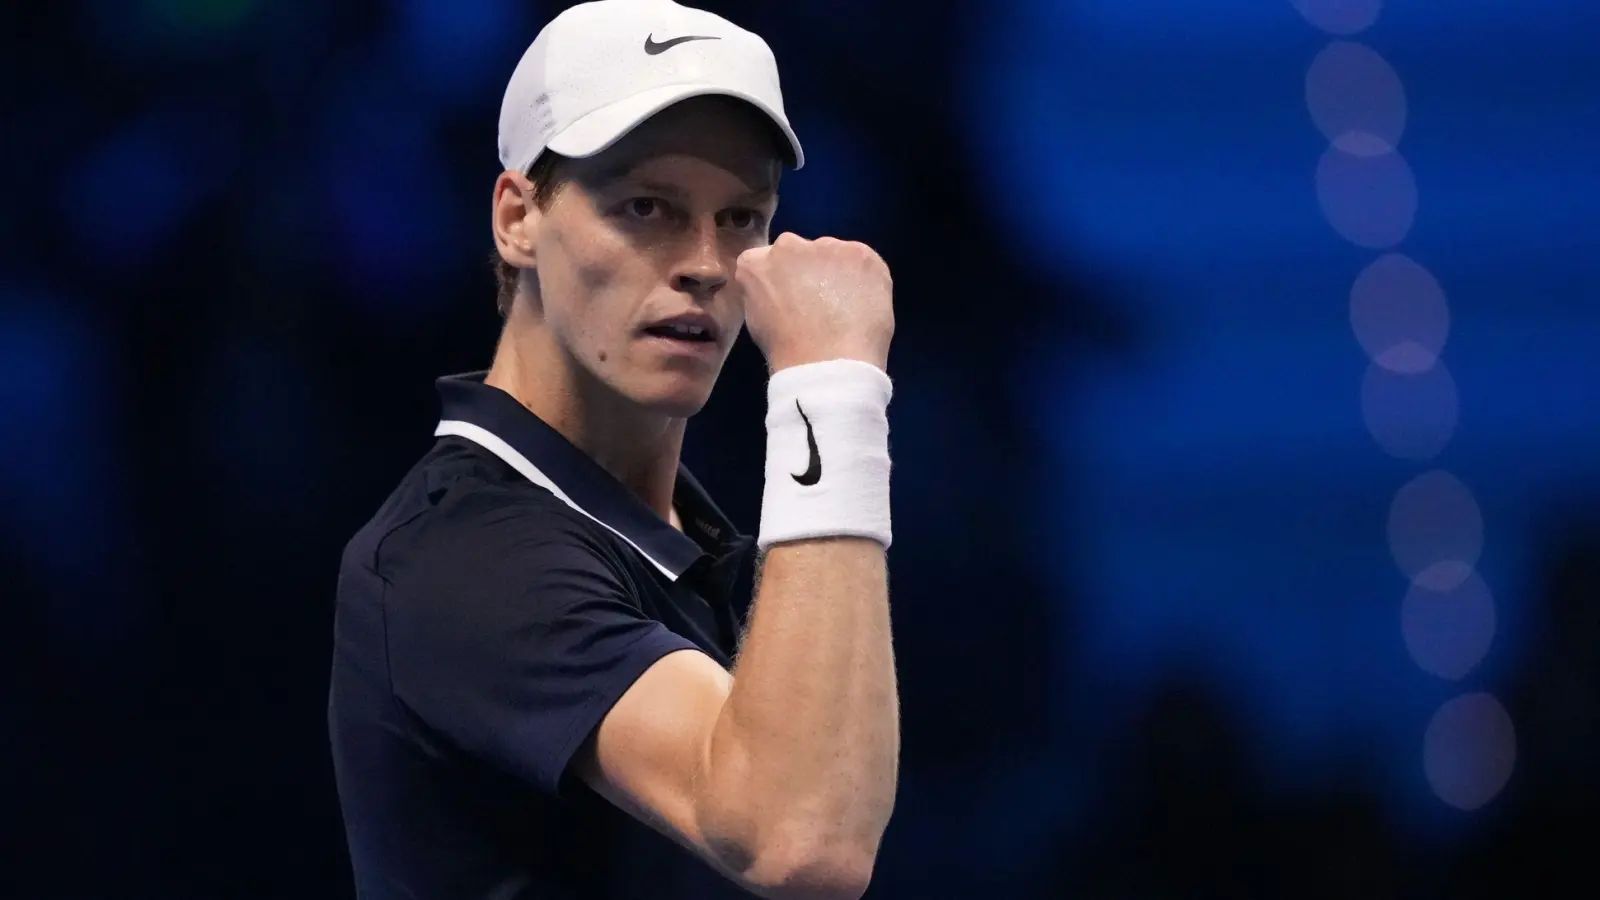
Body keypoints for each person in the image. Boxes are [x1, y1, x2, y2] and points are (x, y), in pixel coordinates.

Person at [327, 1, 900, 898]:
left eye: (743, 217)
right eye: (647, 207)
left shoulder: (693, 542)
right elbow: (801, 838)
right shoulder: (464, 555)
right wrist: (832, 387)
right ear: (518, 217)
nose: (708, 264)